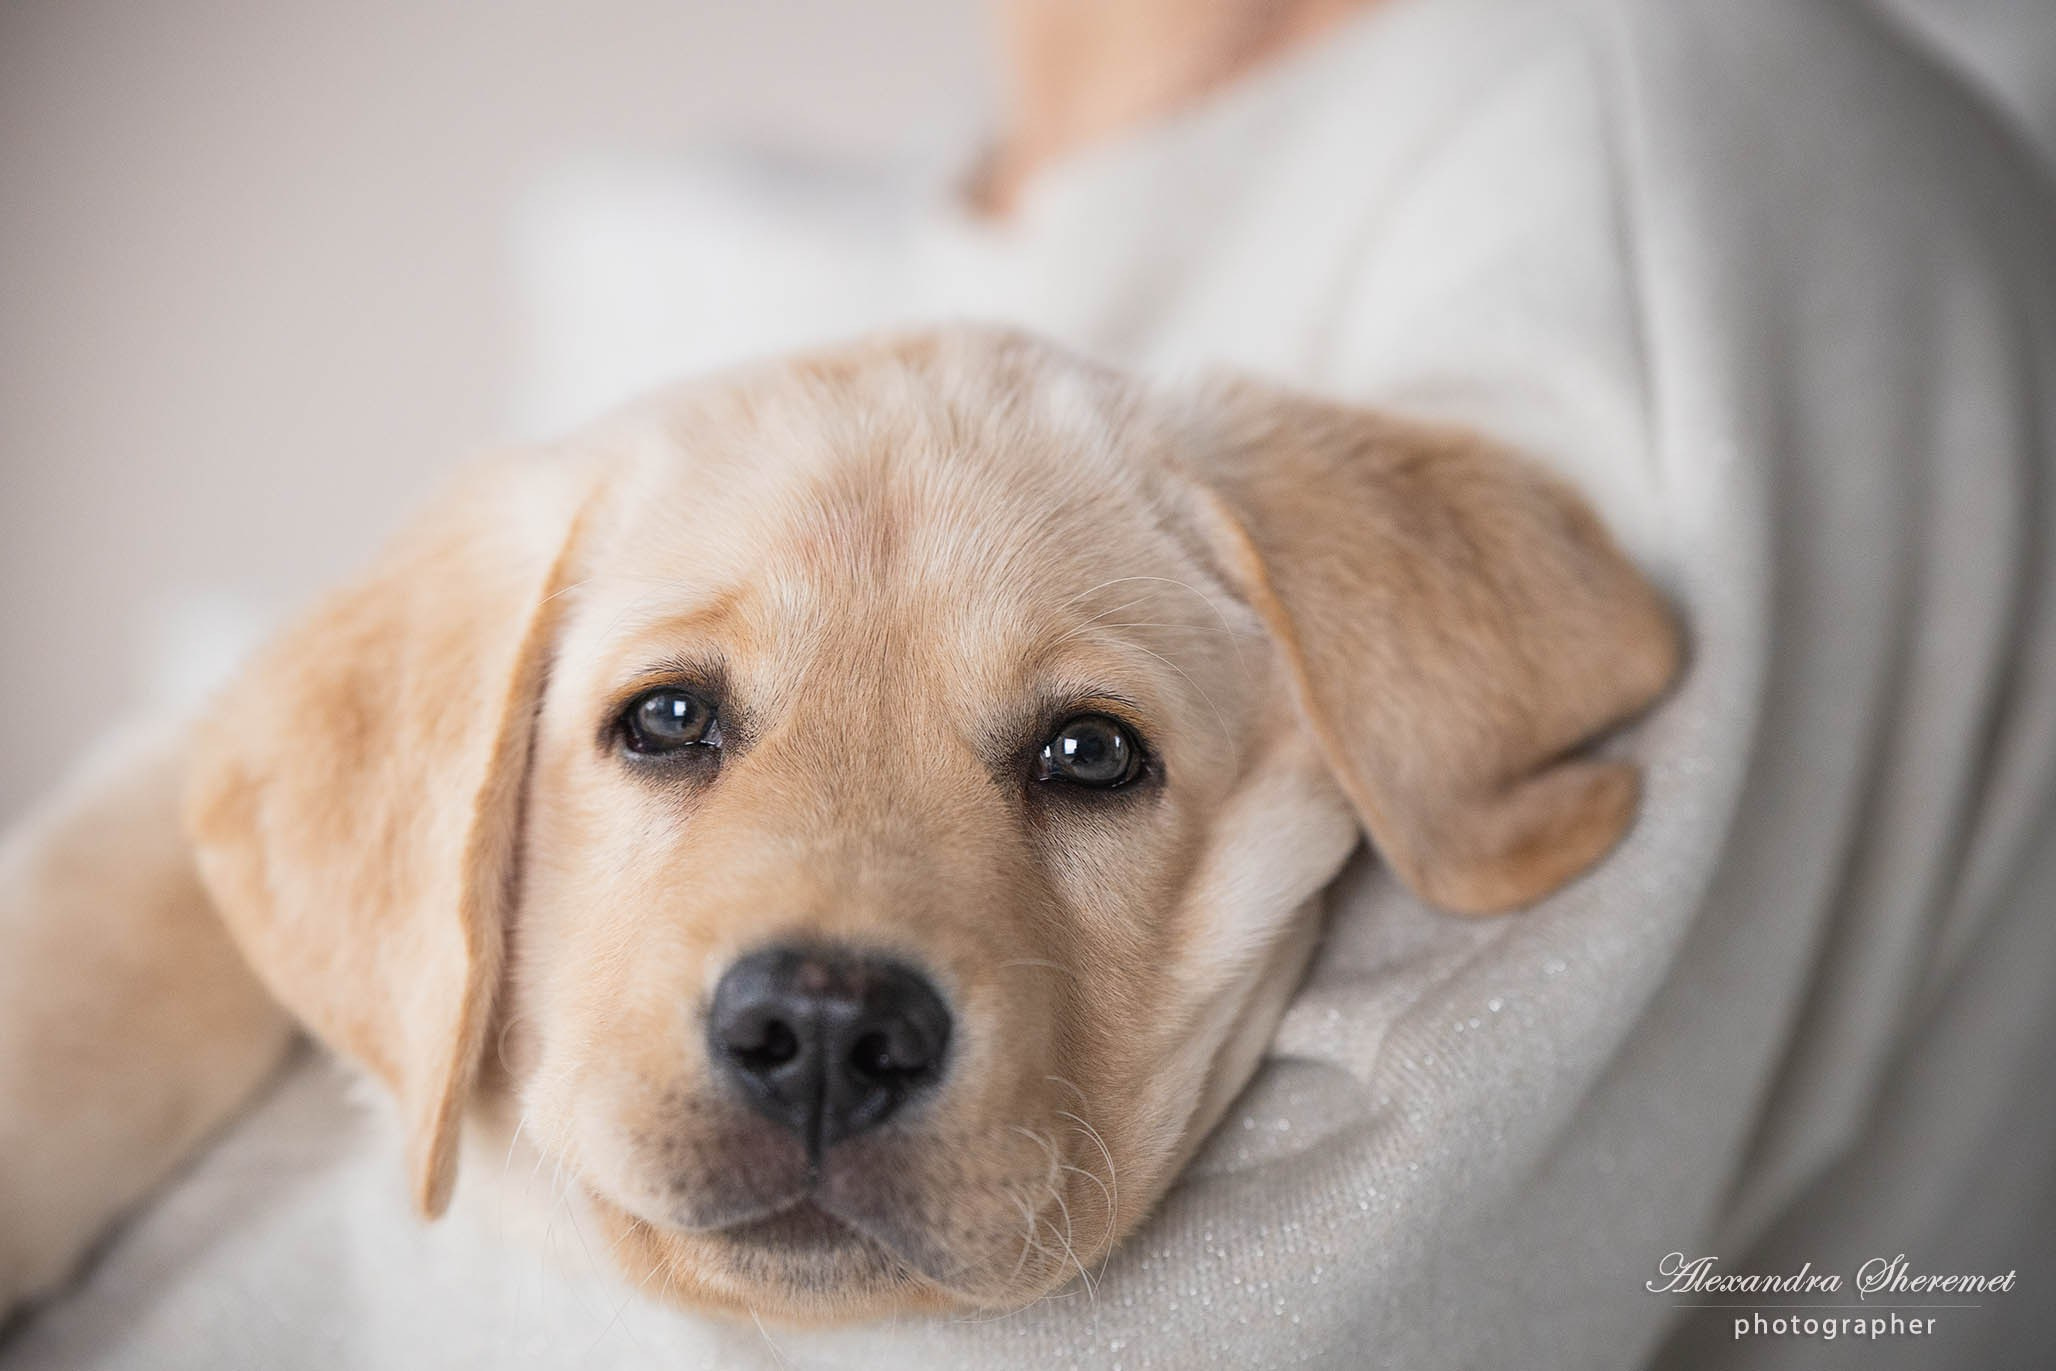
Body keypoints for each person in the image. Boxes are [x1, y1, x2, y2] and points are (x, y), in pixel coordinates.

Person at [14, 2, 2054, 1367]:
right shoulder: (736, 281)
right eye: (674, 721)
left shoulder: (1667, 133)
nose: (823, 997)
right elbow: (292, 776)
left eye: (1081, 752)